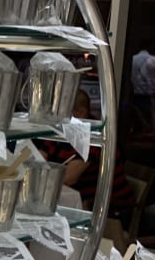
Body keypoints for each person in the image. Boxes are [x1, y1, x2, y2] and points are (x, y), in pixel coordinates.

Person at [39, 89, 135, 220]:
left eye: (59, 112)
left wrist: (39, 175)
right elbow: (40, 156)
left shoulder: (94, 138)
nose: (53, 117)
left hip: (108, 211)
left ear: (81, 112)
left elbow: (68, 178)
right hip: (77, 203)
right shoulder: (61, 130)